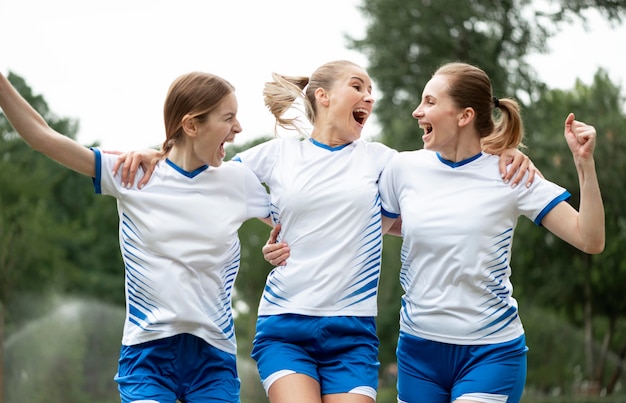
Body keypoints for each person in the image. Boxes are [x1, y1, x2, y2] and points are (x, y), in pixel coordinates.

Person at [113, 60, 537, 403]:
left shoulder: (384, 161)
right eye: (358, 87)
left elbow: (443, 192)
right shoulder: (275, 154)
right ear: (323, 96)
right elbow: (207, 175)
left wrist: (506, 153)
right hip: (285, 323)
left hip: (352, 330)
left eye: (371, 92)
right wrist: (157, 153)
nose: (369, 97)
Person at [0, 71, 271, 403]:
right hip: (148, 357)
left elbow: (297, 218)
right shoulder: (133, 174)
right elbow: (43, 137)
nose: (239, 128)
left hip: (213, 361)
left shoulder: (238, 181)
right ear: (191, 126)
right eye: (228, 118)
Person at [376, 62, 604, 403]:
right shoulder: (403, 168)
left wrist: (584, 163)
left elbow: (590, 238)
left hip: (490, 353)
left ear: (464, 115)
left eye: (430, 102)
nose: (417, 111)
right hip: (418, 351)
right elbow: (365, 227)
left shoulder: (510, 172)